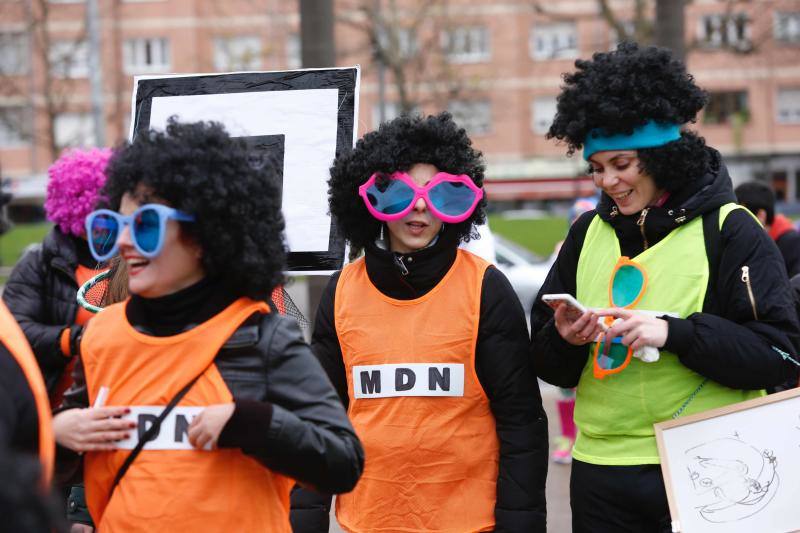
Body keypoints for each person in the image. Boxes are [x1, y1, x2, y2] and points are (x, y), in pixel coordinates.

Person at [530, 42, 800, 532]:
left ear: (662, 156)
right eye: (596, 167)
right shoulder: (584, 233)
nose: (607, 181)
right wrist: (562, 339)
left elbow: (780, 354)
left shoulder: (731, 229)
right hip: (601, 471)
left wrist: (673, 333)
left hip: (711, 465)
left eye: (622, 164)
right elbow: (551, 369)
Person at [52, 119, 363, 532]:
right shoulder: (101, 336)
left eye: (145, 224)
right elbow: (58, 468)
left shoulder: (264, 338)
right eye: (117, 224)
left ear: (205, 235)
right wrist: (56, 435)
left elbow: (342, 462)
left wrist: (252, 423)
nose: (124, 242)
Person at [291, 112, 548, 532]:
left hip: (467, 522)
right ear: (371, 198)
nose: (422, 207)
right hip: (369, 521)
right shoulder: (342, 292)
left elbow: (521, 423)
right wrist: (303, 520)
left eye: (440, 194)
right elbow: (319, 418)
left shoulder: (485, 288)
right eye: (401, 193)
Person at [2, 148, 111, 402]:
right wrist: (73, 339)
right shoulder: (38, 264)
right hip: (56, 405)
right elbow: (14, 333)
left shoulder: (132, 259)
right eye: (93, 214)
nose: (103, 224)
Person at [550, 196, 598, 466]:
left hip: (598, 322)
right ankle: (567, 435)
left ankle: (585, 434)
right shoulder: (562, 248)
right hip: (569, 321)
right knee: (566, 387)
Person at [734, 180, 800, 278]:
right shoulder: (747, 241)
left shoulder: (791, 243)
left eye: (740, 215)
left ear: (761, 216)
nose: (735, 222)